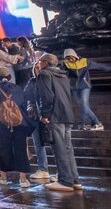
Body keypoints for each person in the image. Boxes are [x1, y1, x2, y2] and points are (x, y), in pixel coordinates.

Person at [36, 54, 82, 193]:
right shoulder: (63, 75)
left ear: (45, 63)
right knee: (68, 149)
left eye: (40, 61)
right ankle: (75, 180)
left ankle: (65, 181)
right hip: (67, 114)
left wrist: (44, 115)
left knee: (59, 149)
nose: (39, 64)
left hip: (54, 115)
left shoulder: (44, 74)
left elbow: (47, 96)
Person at [0, 66, 33, 187]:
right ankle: (23, 179)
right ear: (9, 77)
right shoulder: (18, 88)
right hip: (19, 122)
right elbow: (23, 102)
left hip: (3, 123)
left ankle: (3, 176)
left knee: (4, 148)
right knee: (21, 148)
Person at [60, 48, 111, 130]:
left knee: (84, 105)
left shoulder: (84, 62)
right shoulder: (65, 64)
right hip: (74, 87)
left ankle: (91, 123)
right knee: (82, 106)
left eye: (71, 57)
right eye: (67, 58)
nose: (70, 59)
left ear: (74, 55)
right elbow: (60, 73)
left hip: (85, 86)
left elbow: (99, 66)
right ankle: (90, 124)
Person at [22, 61, 53, 183]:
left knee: (54, 143)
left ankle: (60, 170)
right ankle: (43, 168)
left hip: (47, 116)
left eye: (39, 68)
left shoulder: (47, 80)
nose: (38, 70)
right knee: (38, 143)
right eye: (36, 68)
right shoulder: (32, 82)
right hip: (35, 116)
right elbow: (26, 97)